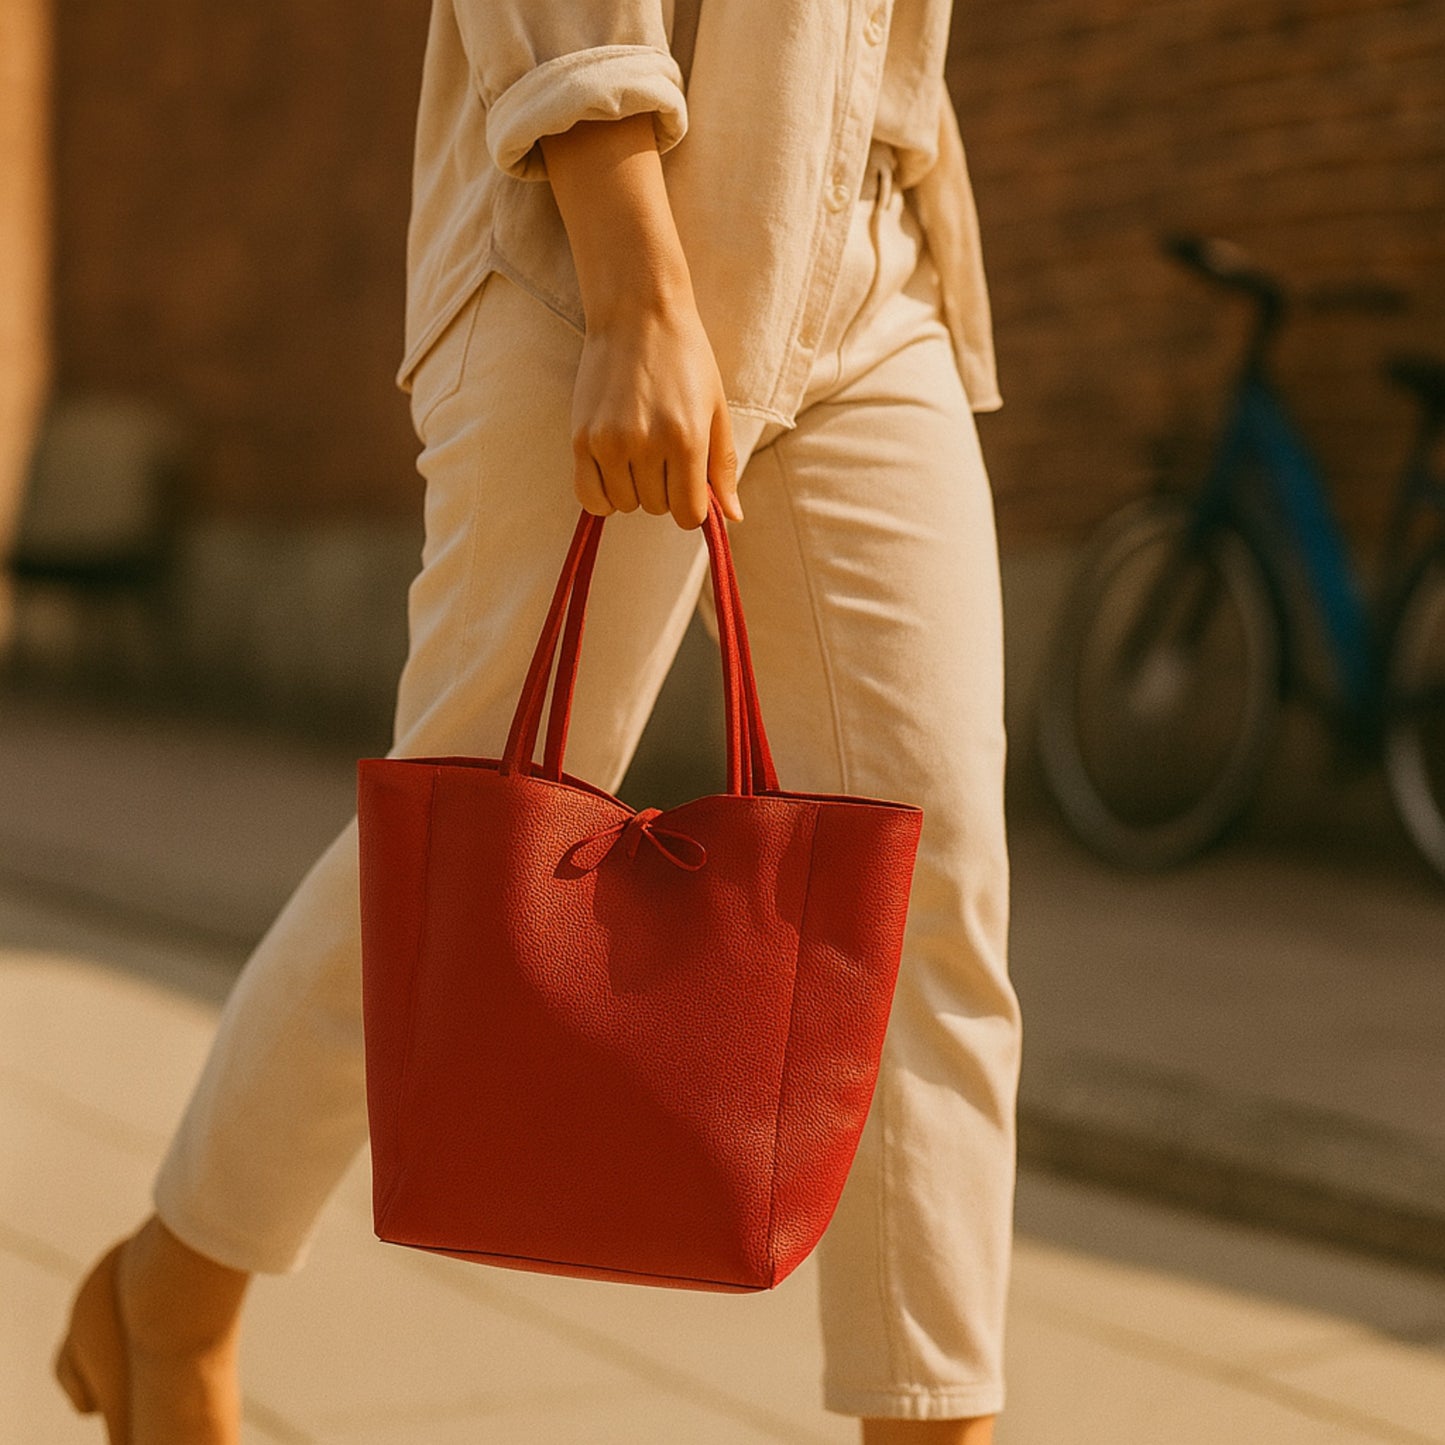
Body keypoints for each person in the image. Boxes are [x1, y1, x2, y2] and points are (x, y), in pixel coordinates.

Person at [52, 3, 1022, 1441]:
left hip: (872, 254)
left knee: (920, 874)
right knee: (479, 836)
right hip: (595, 232)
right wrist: (636, 287)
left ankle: (930, 1423)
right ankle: (178, 1290)